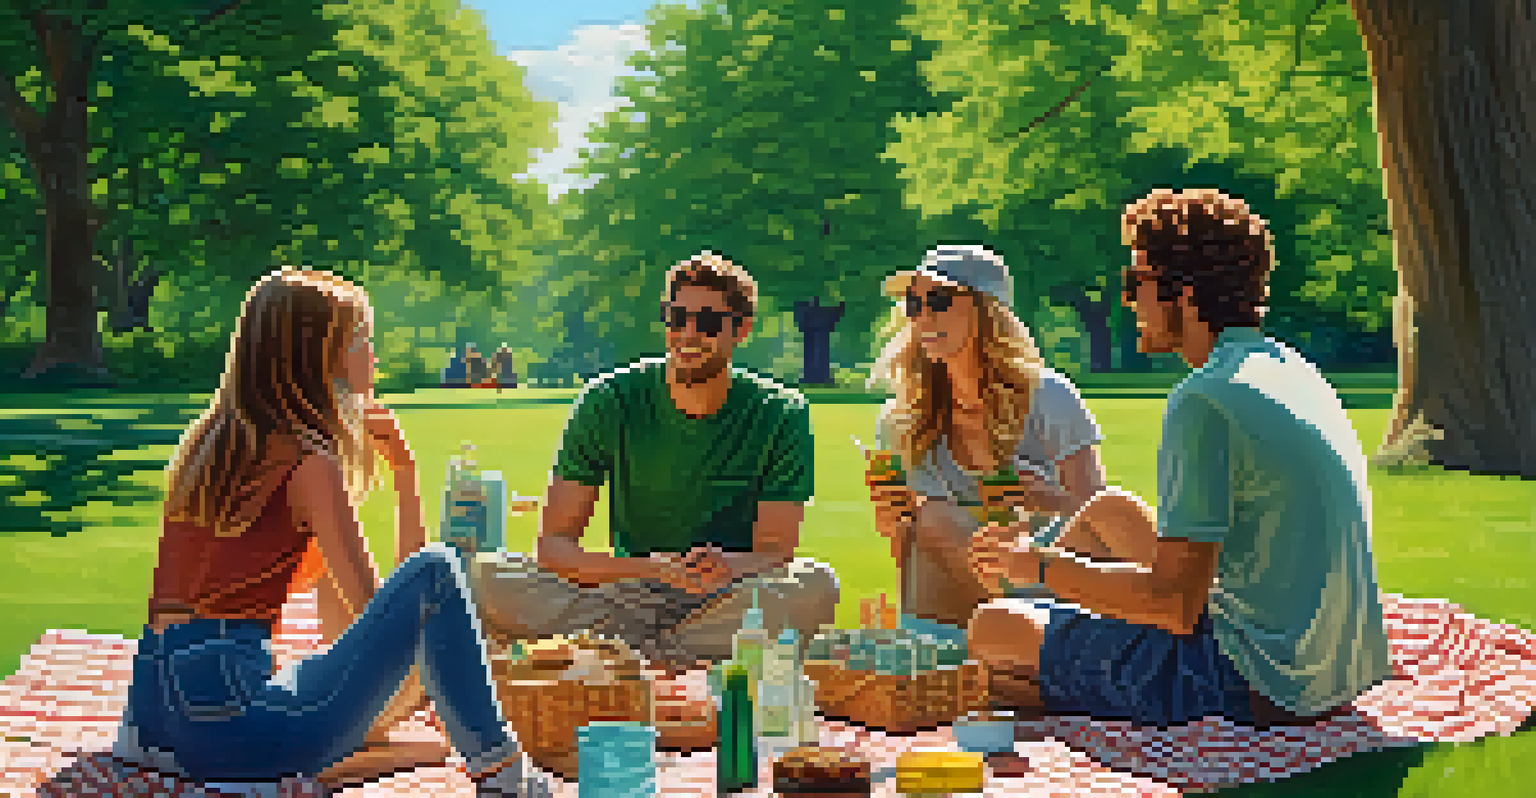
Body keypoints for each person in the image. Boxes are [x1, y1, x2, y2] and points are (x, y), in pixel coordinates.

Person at [966, 189, 1394, 729]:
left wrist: (1040, 568)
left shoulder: (1205, 398)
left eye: (1135, 283)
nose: (1129, 303)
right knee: (1112, 509)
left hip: (1254, 683)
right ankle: (1065, 646)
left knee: (992, 629)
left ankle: (1071, 682)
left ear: (1185, 296)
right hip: (1330, 666)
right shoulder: (1289, 369)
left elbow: (1173, 605)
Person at [110, 268, 543, 796]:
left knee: (409, 725)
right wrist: (406, 479)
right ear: (320, 357)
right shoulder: (310, 464)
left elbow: (344, 627)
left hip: (151, 719)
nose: (374, 357)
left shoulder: (208, 445)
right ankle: (502, 775)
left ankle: (358, 757)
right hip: (230, 727)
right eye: (363, 341)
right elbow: (388, 612)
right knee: (438, 569)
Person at [468, 251, 838, 674]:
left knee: (814, 586)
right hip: (625, 590)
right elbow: (554, 545)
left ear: (742, 329)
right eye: (676, 317)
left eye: (708, 322)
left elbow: (775, 551)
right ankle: (673, 656)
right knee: (487, 576)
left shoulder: (780, 414)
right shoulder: (609, 400)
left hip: (724, 594)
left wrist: (724, 565)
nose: (688, 333)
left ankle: (626, 657)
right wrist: (650, 568)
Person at [865, 245, 1108, 644]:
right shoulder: (902, 421)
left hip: (1047, 586)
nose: (923, 316)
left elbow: (1102, 524)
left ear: (987, 310)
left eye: (939, 301)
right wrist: (893, 522)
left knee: (940, 520)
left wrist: (1048, 499)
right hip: (952, 601)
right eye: (914, 303)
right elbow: (910, 556)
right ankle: (993, 637)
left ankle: (1024, 632)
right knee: (934, 519)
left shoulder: (1047, 395)